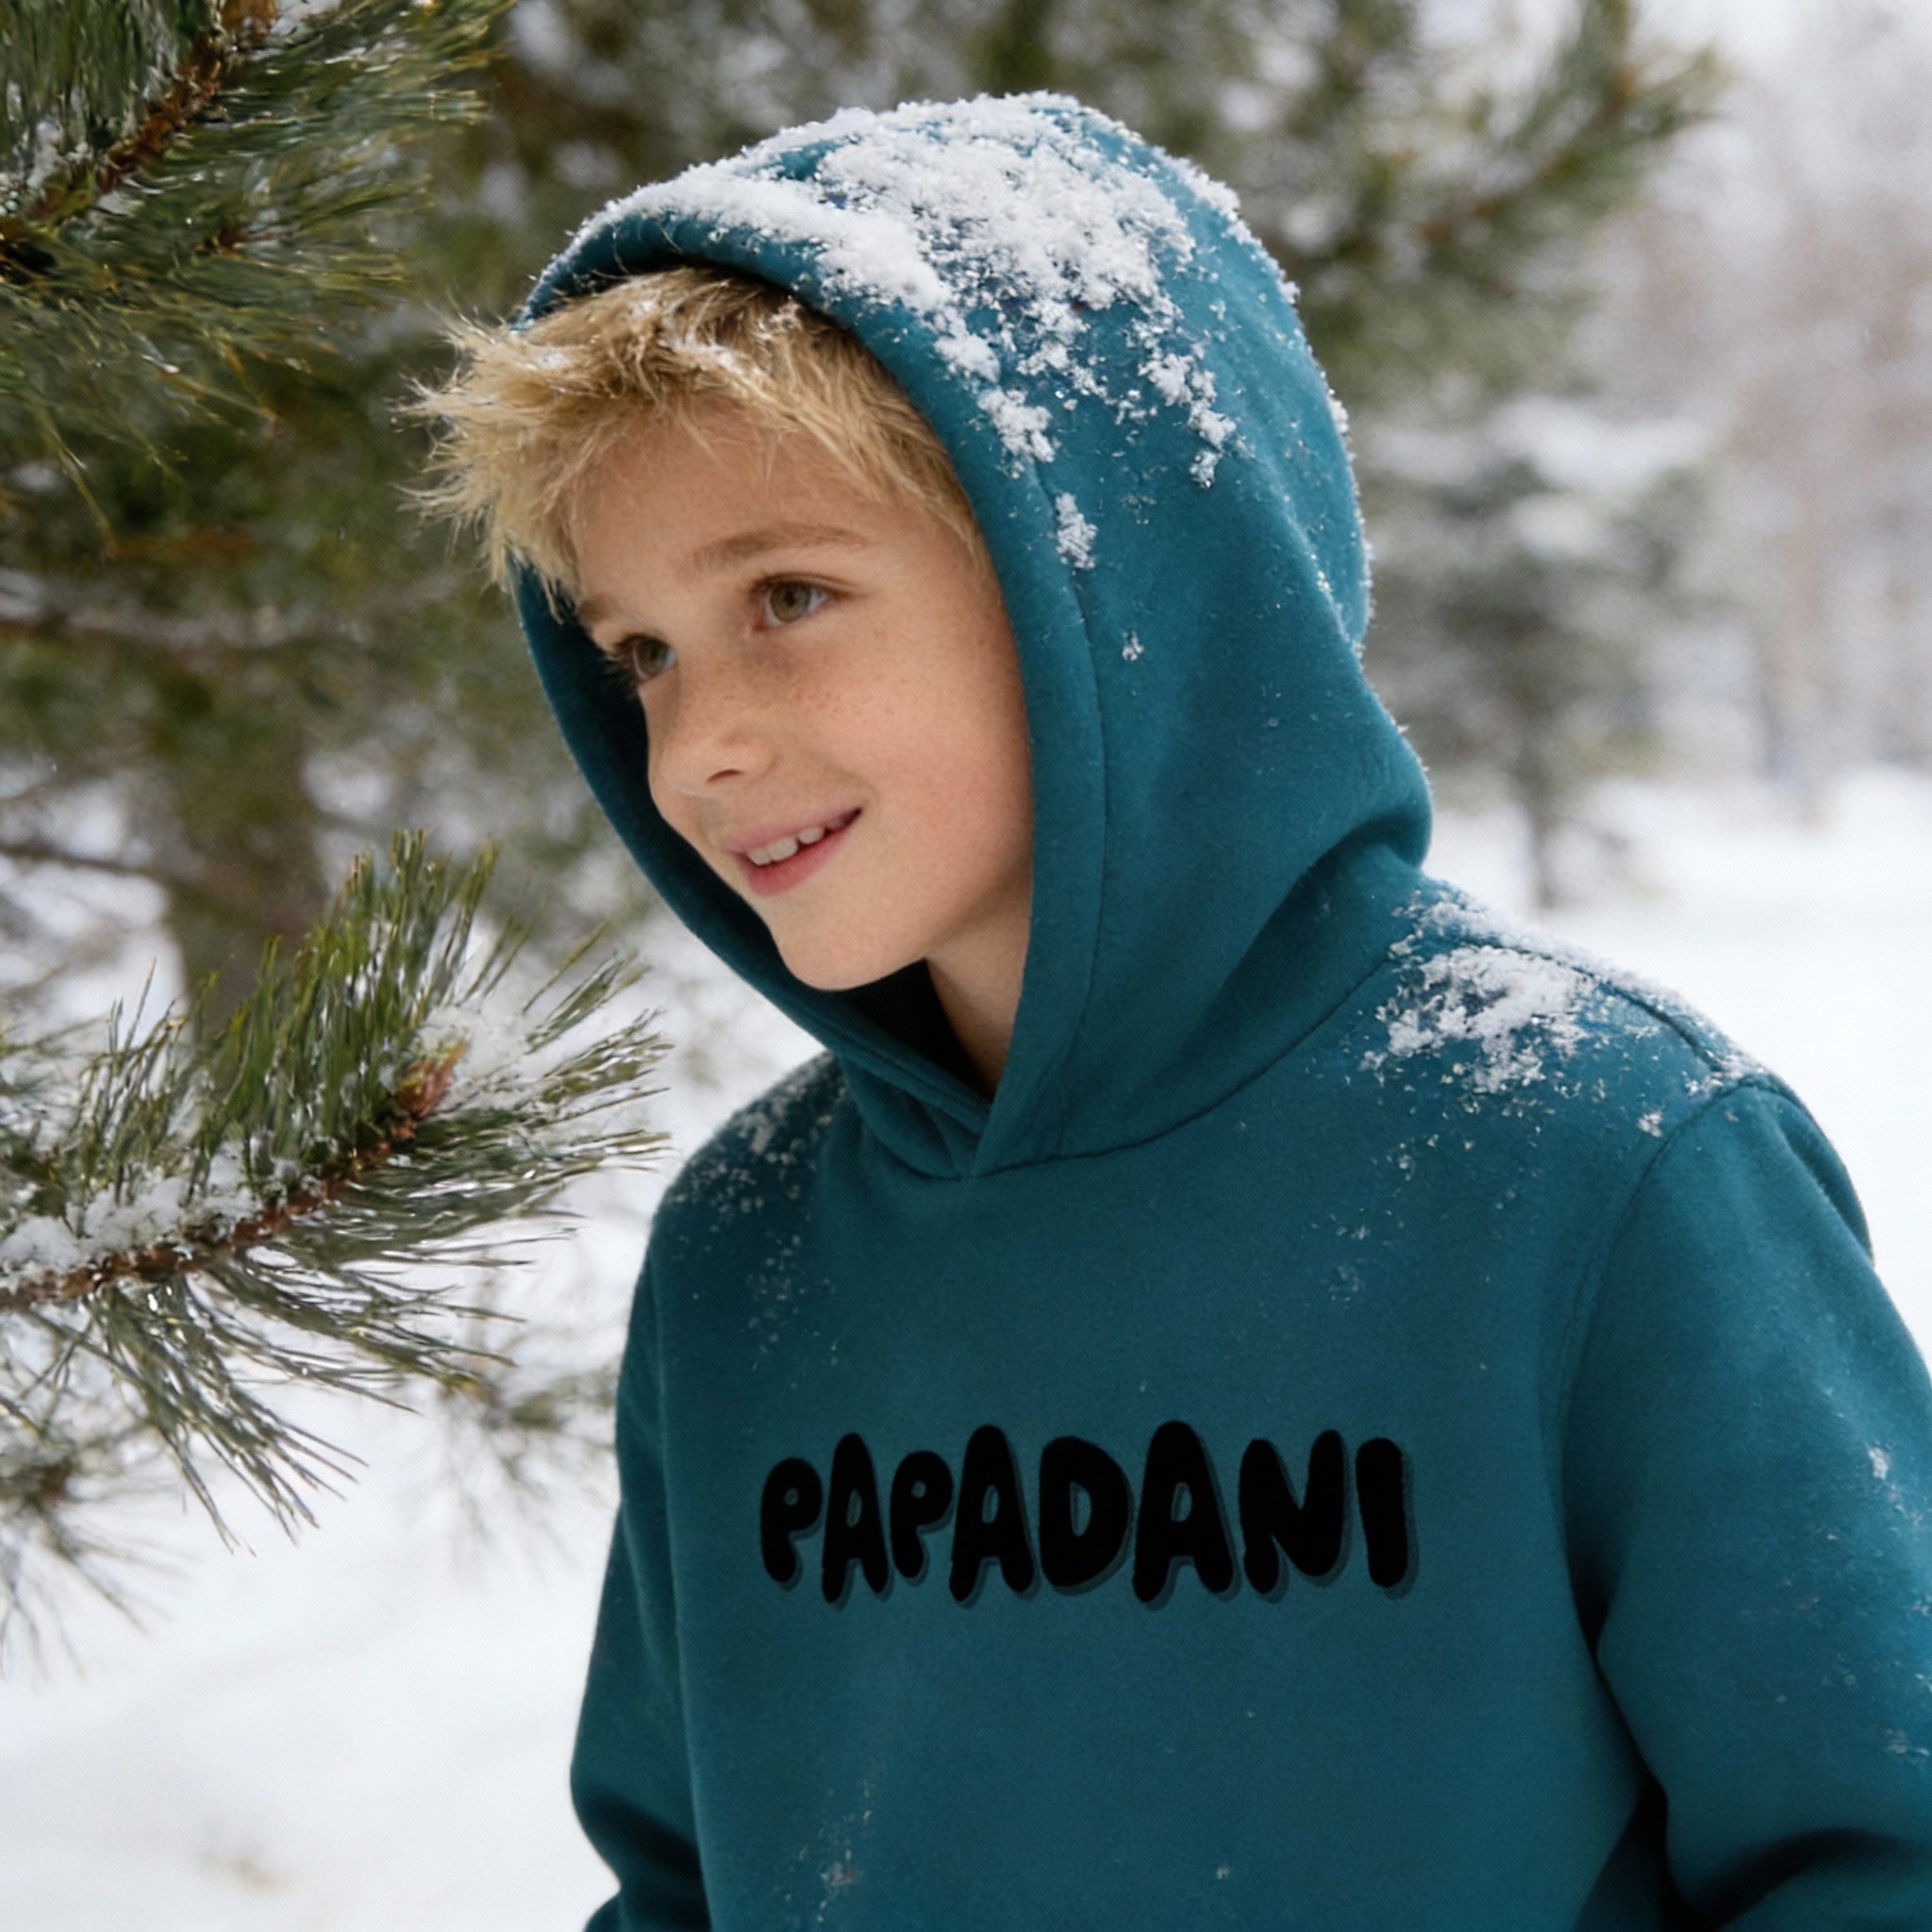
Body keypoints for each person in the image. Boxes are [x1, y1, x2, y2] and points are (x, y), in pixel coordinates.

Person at [417, 92, 1932, 1930]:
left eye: (788, 596)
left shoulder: (1588, 1163)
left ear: (1115, 577)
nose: (696, 744)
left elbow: (1880, 1847)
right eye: (642, 651)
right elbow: (676, 1885)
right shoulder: (745, 1252)